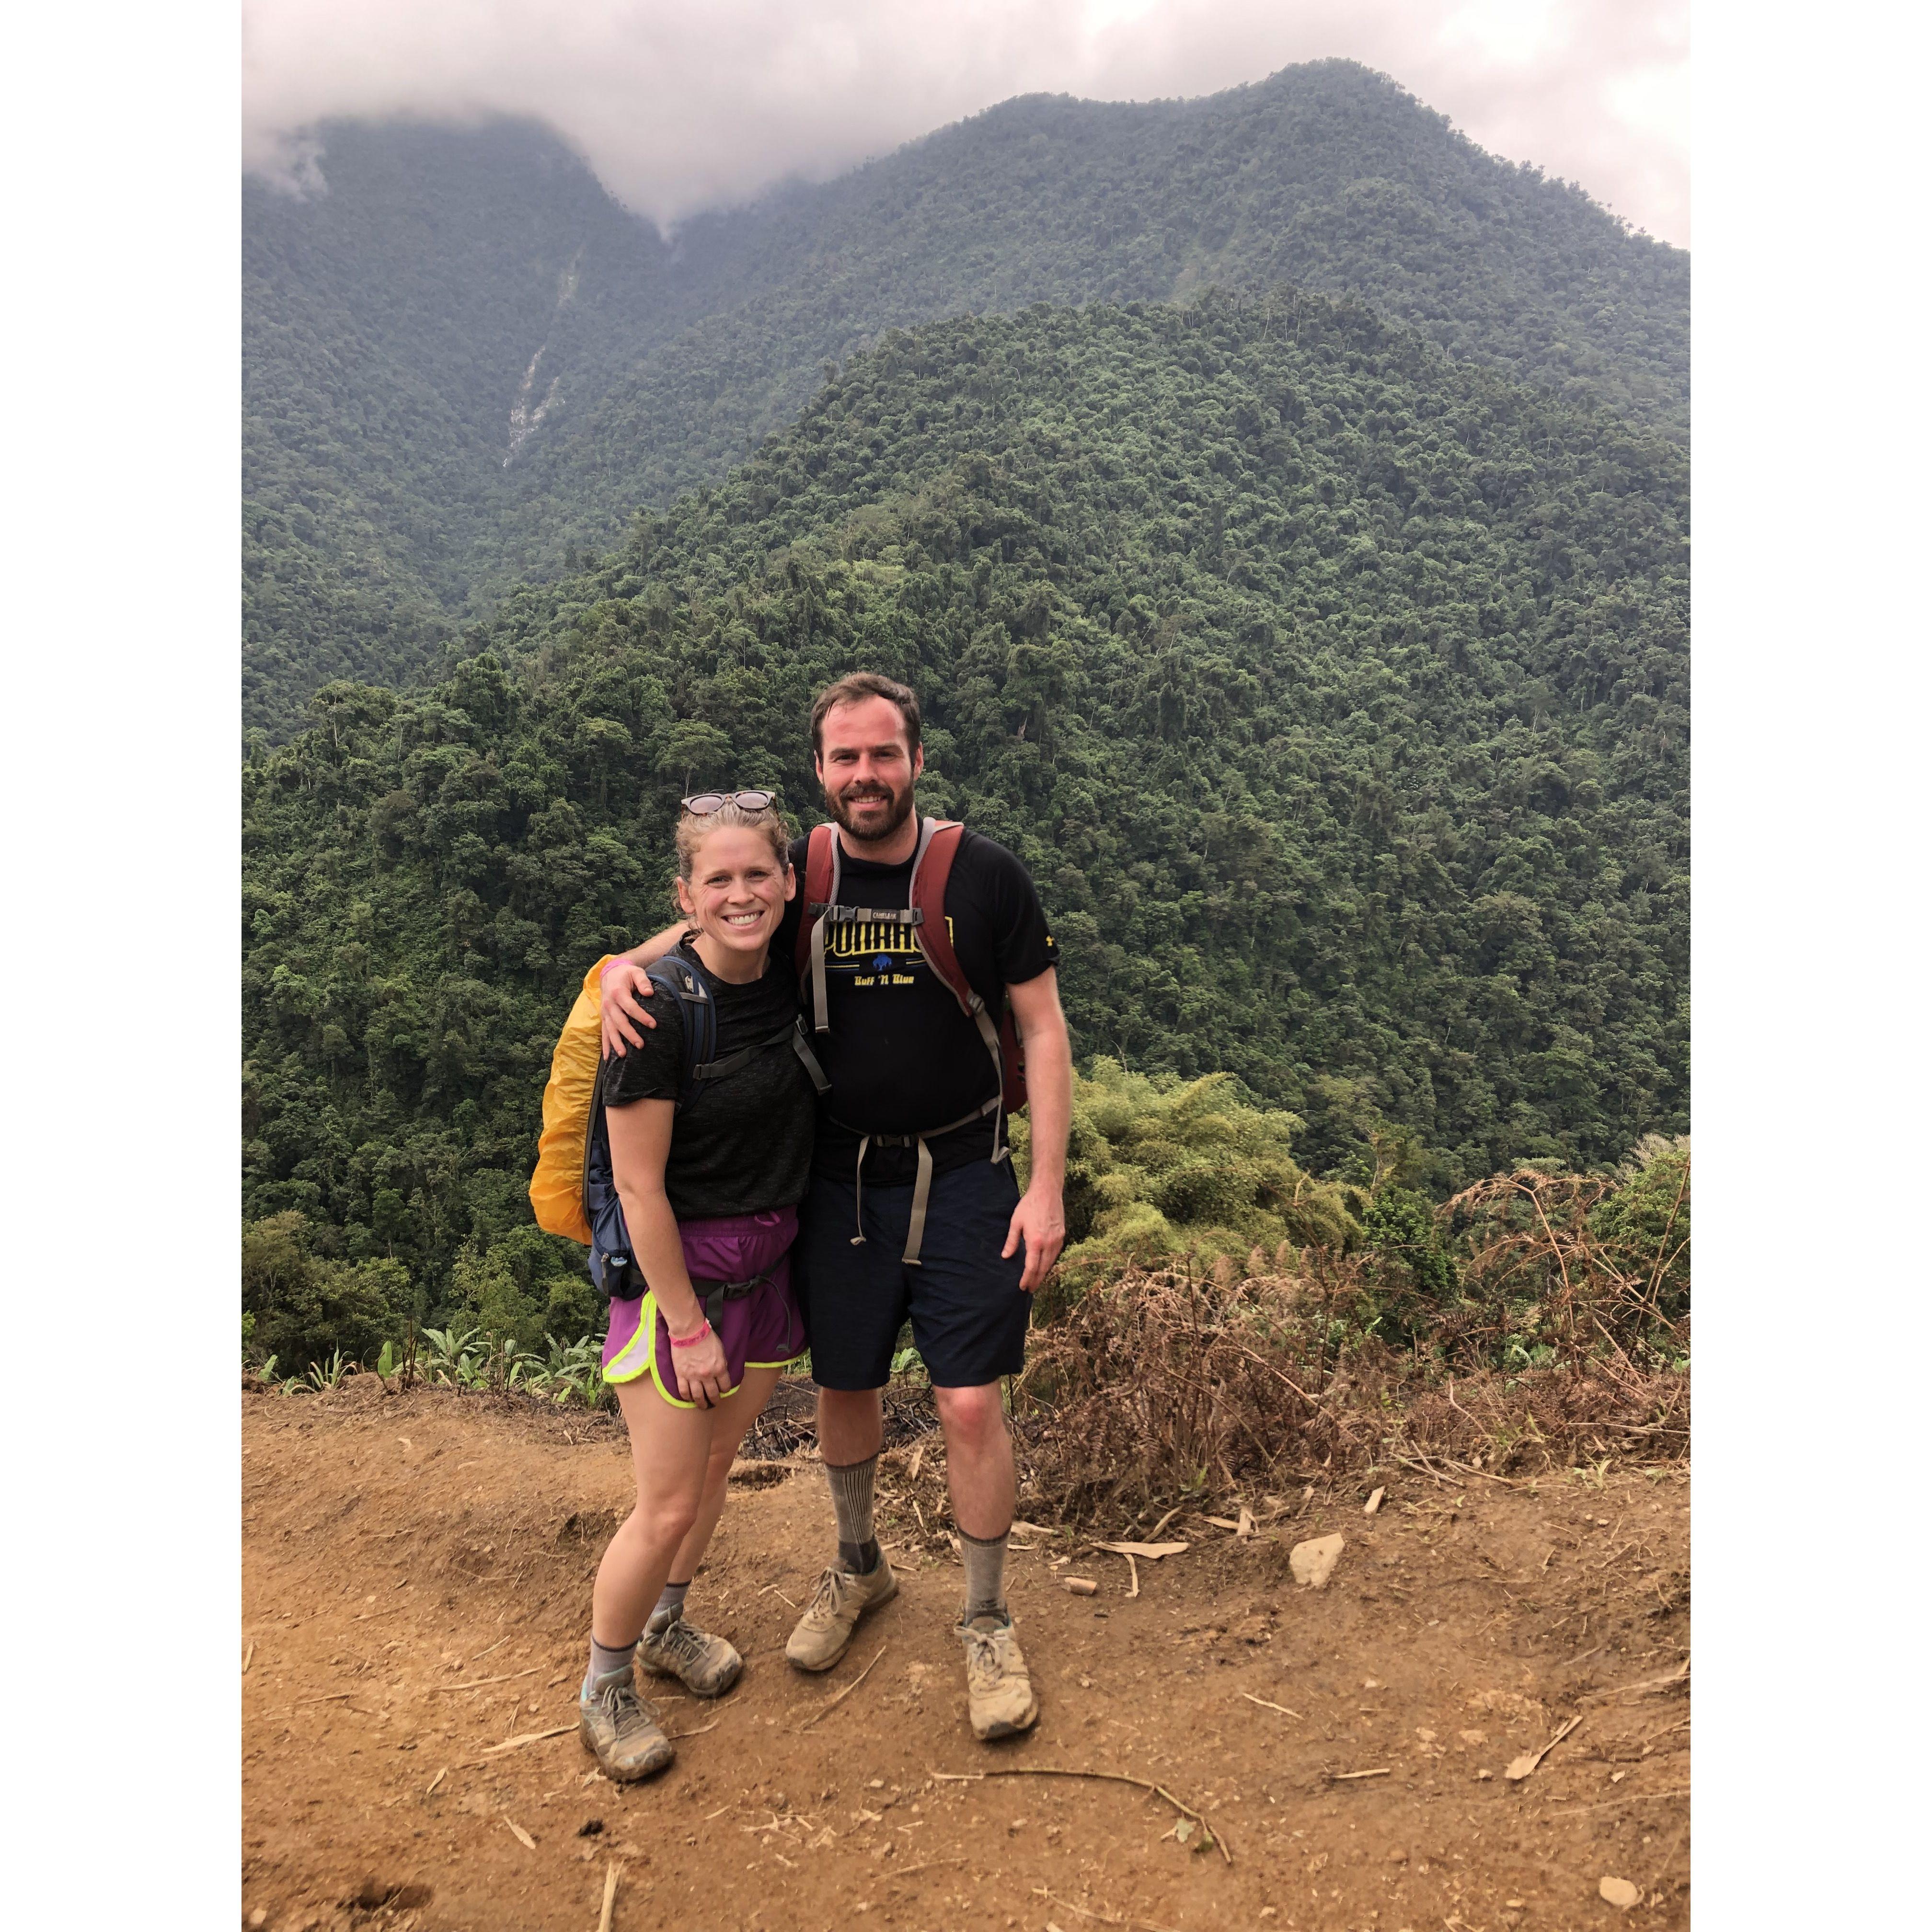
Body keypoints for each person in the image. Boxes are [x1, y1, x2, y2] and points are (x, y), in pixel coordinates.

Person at [600, 673, 1071, 1742]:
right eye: (846, 760)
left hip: (964, 1174)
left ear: (916, 760)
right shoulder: (802, 871)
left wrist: (1045, 1187)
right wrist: (611, 972)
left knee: (966, 1404)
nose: (866, 777)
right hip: (838, 1180)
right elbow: (720, 920)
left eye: (884, 755)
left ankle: (988, 1617)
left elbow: (1042, 1029)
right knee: (845, 1384)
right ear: (820, 772)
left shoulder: (983, 876)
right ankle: (858, 1564)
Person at [578, 792, 821, 1781]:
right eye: (716, 880)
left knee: (715, 1474)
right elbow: (638, 1185)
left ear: (789, 881)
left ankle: (669, 1627)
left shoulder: (790, 973)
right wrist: (684, 1324)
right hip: (680, 1289)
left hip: (768, 1276)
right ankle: (604, 1683)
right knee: (667, 1503)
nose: (740, 894)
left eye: (757, 873)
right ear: (686, 896)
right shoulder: (656, 1012)